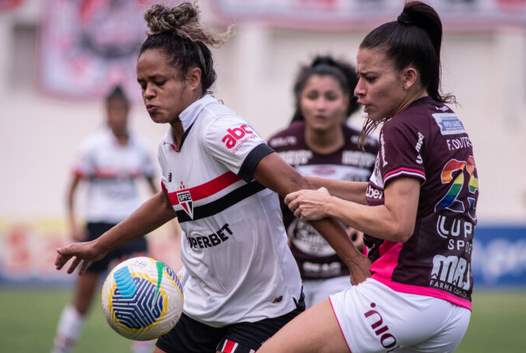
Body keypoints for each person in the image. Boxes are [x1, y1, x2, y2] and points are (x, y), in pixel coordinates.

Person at [54, 3, 370, 353]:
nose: (147, 93)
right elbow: (166, 202)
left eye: (158, 82)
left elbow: (296, 187)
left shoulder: (219, 129)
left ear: (193, 79)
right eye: (142, 84)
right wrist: (99, 246)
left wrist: (355, 264)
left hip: (261, 309)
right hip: (200, 305)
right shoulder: (168, 145)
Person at [259, 2, 478, 353]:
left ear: (408, 77)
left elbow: (397, 223)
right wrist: (316, 186)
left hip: (403, 295)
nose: (358, 89)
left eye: (370, 78)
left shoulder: (401, 128)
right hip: (451, 305)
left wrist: (327, 204)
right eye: (359, 77)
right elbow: (389, 194)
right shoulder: (444, 118)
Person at [51, 85, 158, 353]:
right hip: (98, 227)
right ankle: (61, 348)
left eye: (122, 110)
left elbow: (155, 189)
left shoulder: (141, 148)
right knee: (83, 299)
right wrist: (74, 225)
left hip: (132, 226)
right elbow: (72, 190)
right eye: (113, 110)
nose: (117, 115)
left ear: (128, 112)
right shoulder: (92, 147)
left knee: (143, 296)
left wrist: (170, 223)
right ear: (107, 112)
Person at [268, 55, 378, 307]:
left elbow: (386, 202)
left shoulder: (369, 148)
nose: (320, 106)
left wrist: (365, 224)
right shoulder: (278, 148)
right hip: (290, 275)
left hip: (346, 273)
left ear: (346, 103)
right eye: (312, 96)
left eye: (330, 97)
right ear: (299, 100)